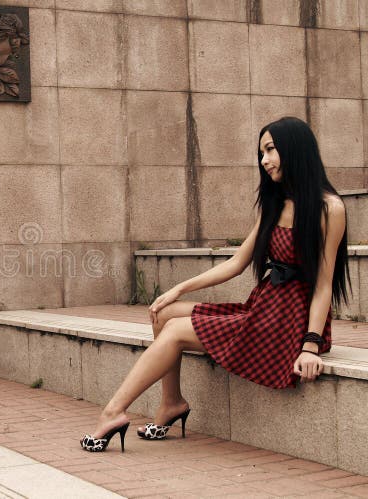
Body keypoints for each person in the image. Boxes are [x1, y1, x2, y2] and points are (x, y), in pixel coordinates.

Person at [80, 116, 350, 452]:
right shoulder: (275, 203)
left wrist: (310, 346)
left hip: (292, 323)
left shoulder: (329, 208)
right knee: (163, 315)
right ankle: (171, 404)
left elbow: (324, 286)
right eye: (261, 153)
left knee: (176, 330)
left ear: (295, 149)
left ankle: (113, 412)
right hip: (265, 308)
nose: (264, 160)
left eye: (270, 150)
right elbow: (237, 263)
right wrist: (178, 289)